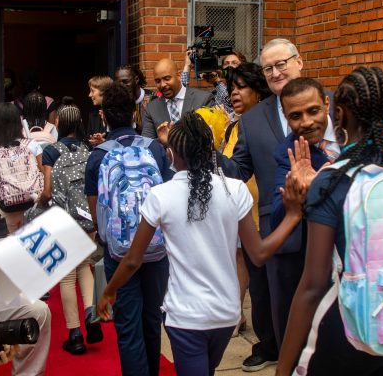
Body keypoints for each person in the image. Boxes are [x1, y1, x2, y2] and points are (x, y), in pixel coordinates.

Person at [97, 111, 307, 375]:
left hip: (186, 317)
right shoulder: (235, 189)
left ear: (171, 154)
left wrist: (110, 290)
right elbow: (259, 254)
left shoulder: (160, 195)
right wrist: (293, 216)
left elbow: (132, 260)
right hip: (226, 313)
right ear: (210, 149)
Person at [276, 67, 383, 376]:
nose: (306, 121)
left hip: (351, 325)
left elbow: (313, 285)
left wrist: (283, 368)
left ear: (336, 112)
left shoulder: (332, 182)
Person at [214, 38, 303, 372]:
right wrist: (212, 155)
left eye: (282, 64)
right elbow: (240, 170)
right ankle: (279, 352)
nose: (276, 72)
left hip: (325, 220)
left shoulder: (327, 103)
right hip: (274, 221)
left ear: (299, 62)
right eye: (269, 68)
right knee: (274, 298)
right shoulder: (251, 121)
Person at [85, 82, 174, 376]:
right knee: (152, 319)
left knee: (128, 325)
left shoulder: (98, 156)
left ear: (104, 116)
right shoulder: (155, 149)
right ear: (134, 112)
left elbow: (96, 205)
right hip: (157, 248)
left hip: (119, 252)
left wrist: (105, 233)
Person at [38, 97, 102, 354]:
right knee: (85, 265)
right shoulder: (88, 150)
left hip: (63, 219)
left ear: (59, 123)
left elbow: (47, 190)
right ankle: (90, 313)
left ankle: (75, 334)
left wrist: (38, 206)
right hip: (87, 218)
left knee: (67, 275)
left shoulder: (51, 151)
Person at [224, 63, 271, 338]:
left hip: (259, 207)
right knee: (237, 257)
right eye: (232, 88)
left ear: (258, 90)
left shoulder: (267, 124)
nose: (234, 93)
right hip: (237, 206)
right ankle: (236, 313)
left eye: (241, 87)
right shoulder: (234, 127)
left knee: (256, 268)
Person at [0, 102, 44, 233]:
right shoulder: (32, 145)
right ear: (19, 122)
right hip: (32, 206)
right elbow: (42, 172)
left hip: (4, 208)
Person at [141, 58, 215, 138]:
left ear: (178, 76)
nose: (162, 84)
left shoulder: (203, 100)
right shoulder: (152, 109)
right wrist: (165, 142)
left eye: (167, 78)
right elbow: (146, 144)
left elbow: (209, 138)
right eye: (158, 81)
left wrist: (174, 141)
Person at [183, 50, 246, 115]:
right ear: (222, 69)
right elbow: (182, 93)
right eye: (226, 63)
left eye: (234, 63)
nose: (230, 66)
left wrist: (217, 82)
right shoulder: (214, 93)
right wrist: (187, 66)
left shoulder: (248, 87)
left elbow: (229, 102)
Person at [114, 64, 156, 134]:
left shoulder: (153, 99)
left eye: (125, 82)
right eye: (118, 83)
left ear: (136, 79)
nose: (121, 86)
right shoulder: (117, 102)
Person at [86, 75, 113, 144]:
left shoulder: (117, 114)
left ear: (104, 92)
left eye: (92, 91)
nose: (90, 95)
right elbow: (89, 142)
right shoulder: (93, 115)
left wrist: (104, 142)